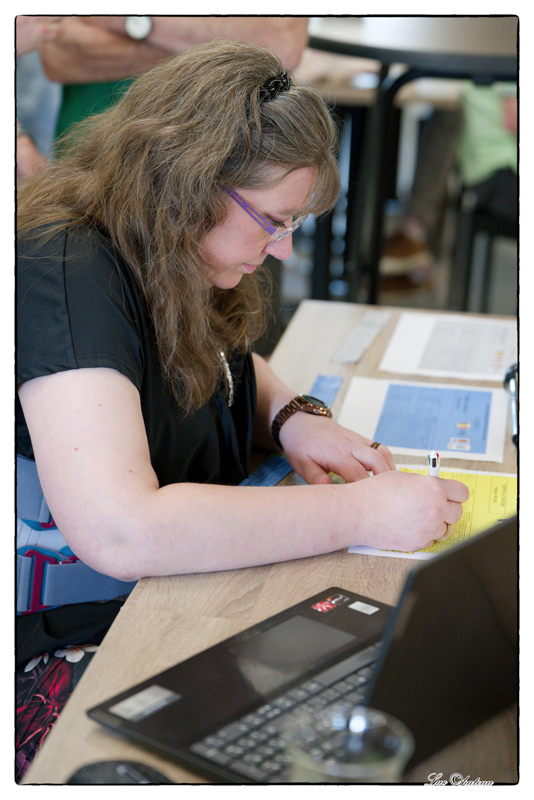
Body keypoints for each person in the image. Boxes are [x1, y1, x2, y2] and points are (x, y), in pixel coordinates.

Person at [16, 41, 469, 778]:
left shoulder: (173, 246)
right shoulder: (65, 270)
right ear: (194, 182)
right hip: (68, 642)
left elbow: (225, 368)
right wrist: (362, 514)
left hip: (174, 593)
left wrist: (296, 417)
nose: (284, 251)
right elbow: (122, 530)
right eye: (275, 221)